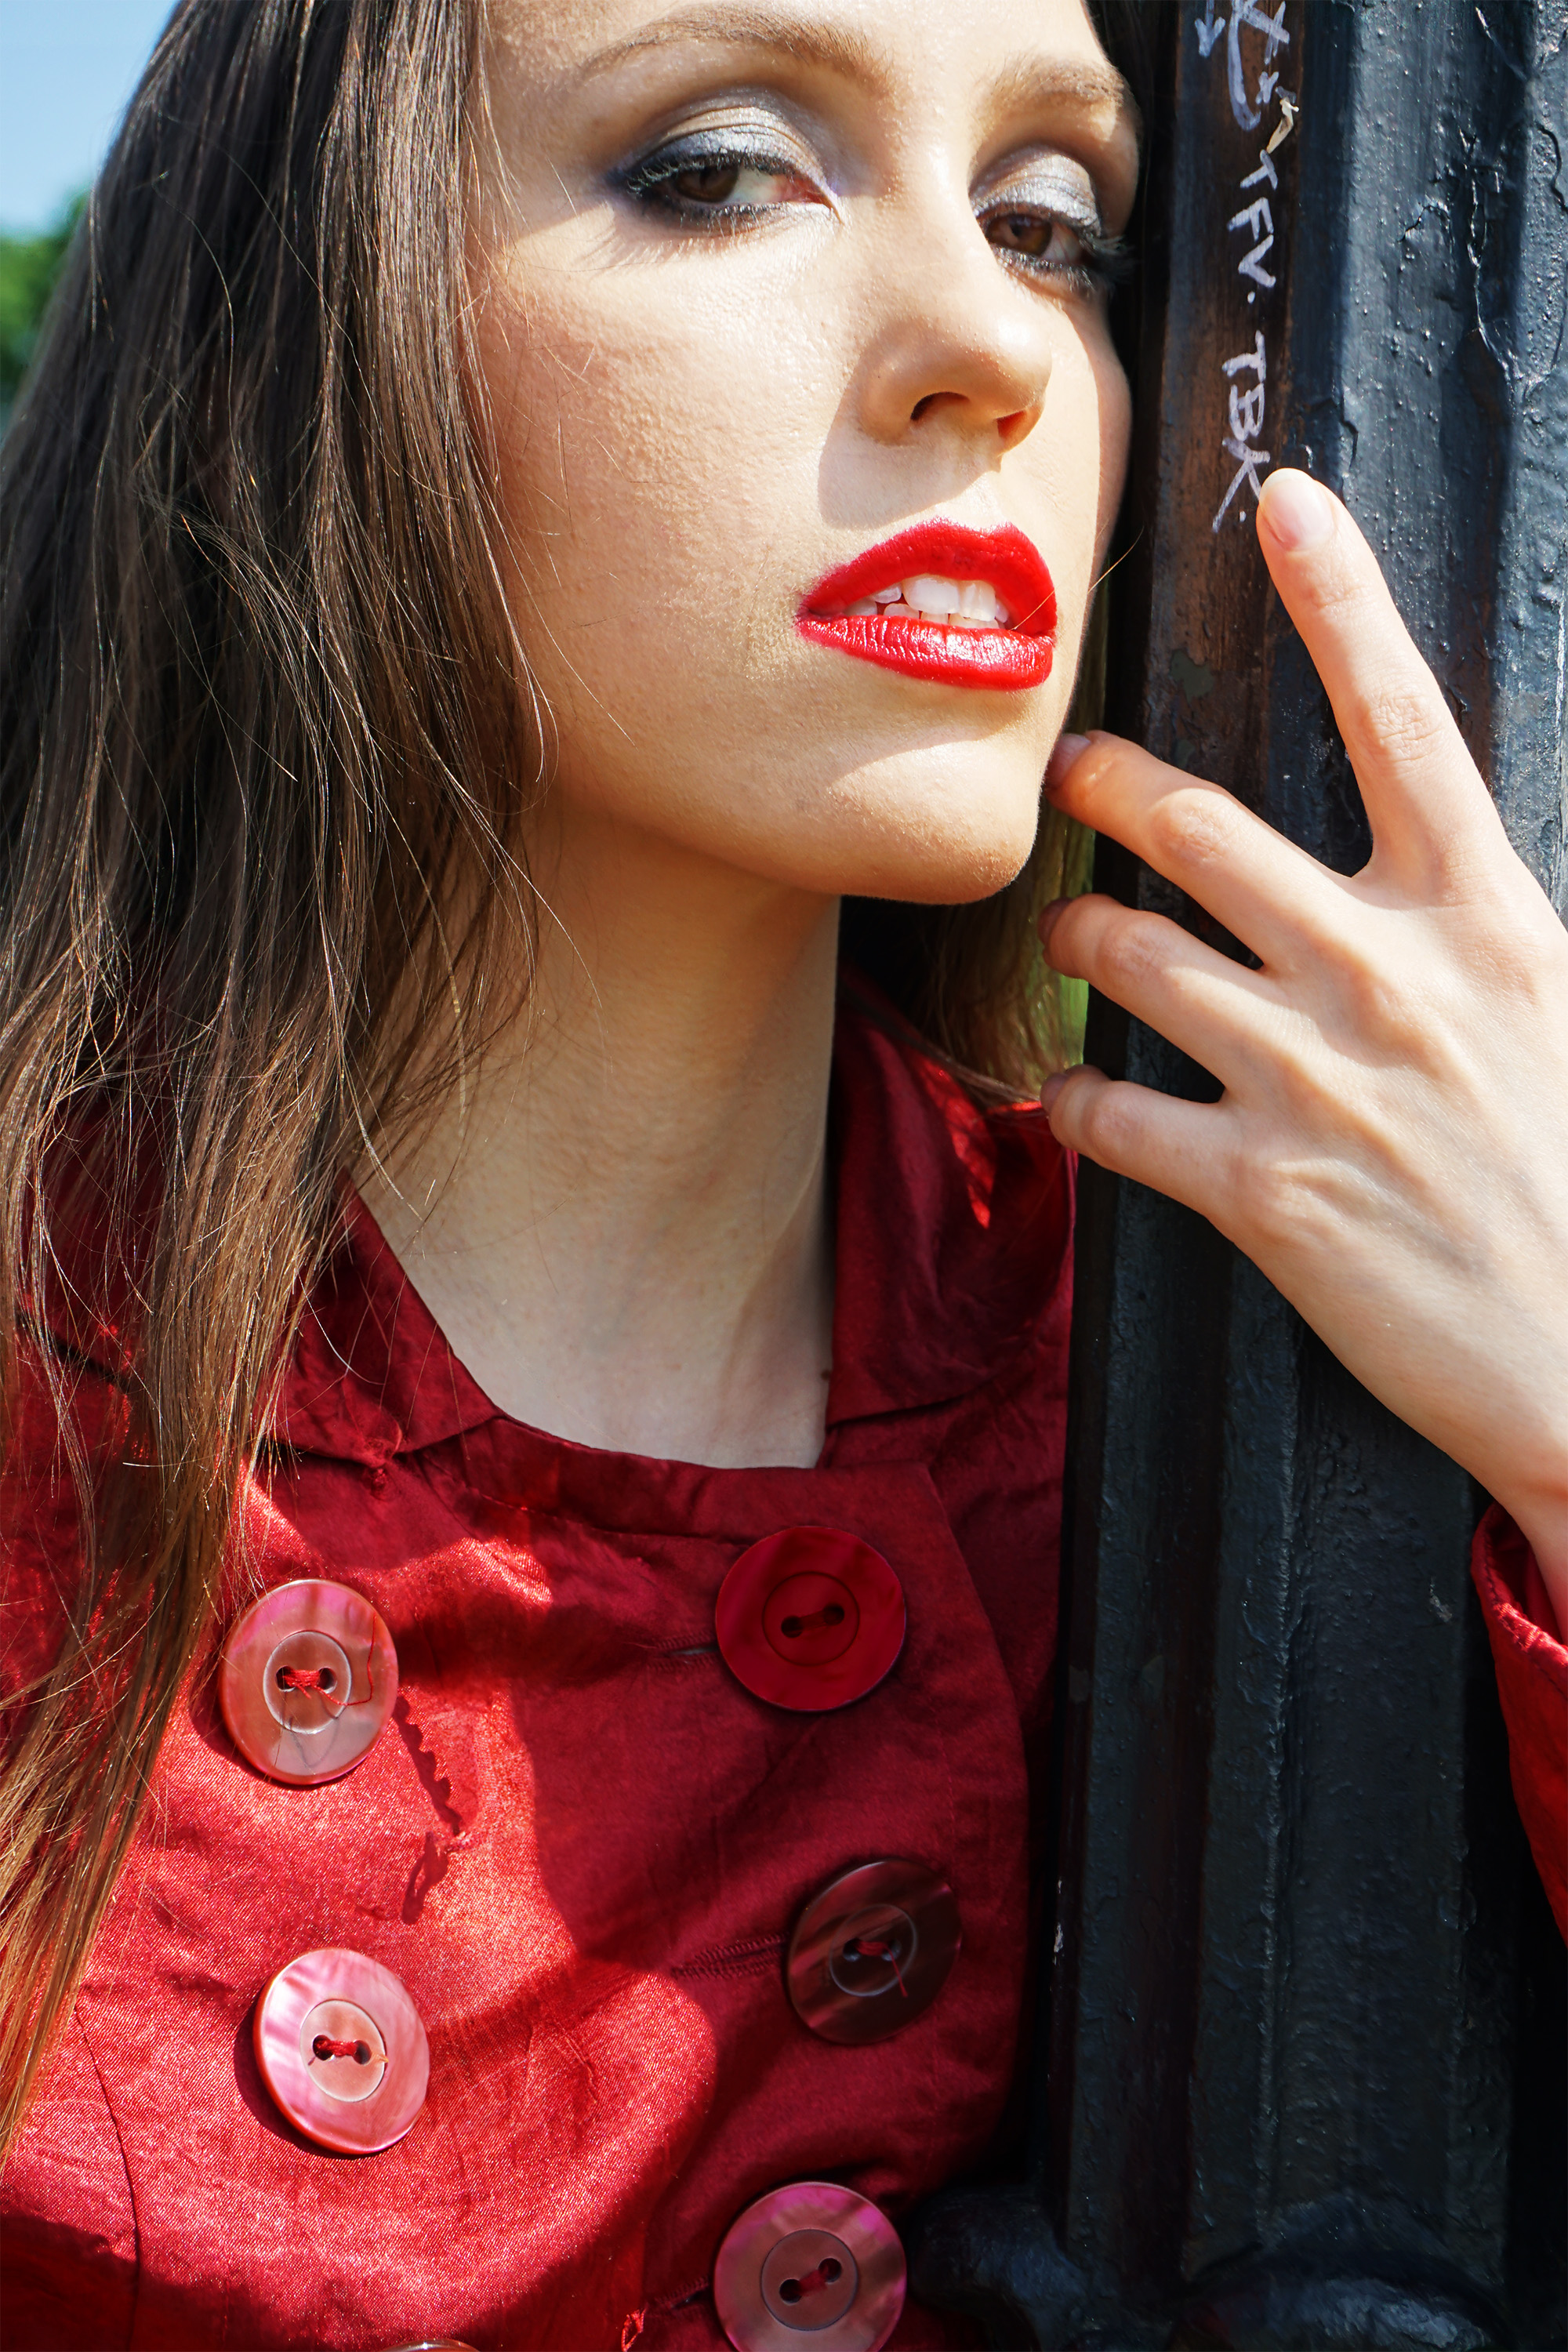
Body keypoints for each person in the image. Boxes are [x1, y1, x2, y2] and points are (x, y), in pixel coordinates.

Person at [0, 2, 1562, 2347]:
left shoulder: (1221, 1398)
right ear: (298, 325)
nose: (989, 347)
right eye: (723, 169)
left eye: (1060, 228)